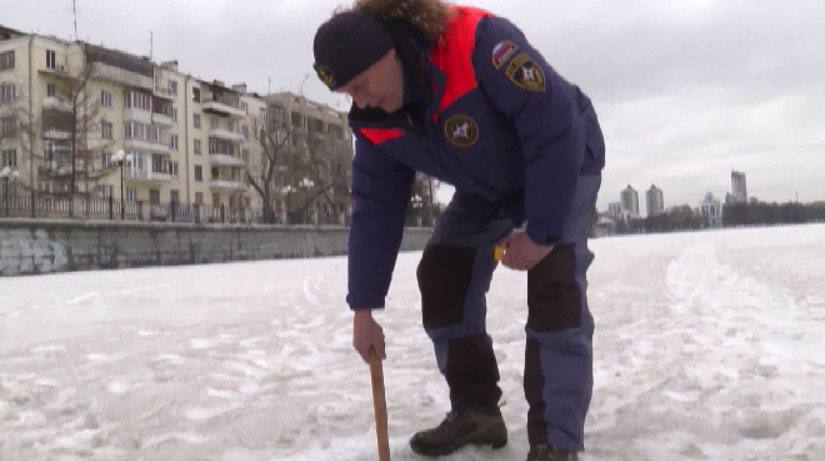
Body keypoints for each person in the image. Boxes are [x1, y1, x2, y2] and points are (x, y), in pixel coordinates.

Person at [312, 1, 605, 459]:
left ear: (386, 52)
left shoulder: (479, 45)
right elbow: (375, 208)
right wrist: (363, 308)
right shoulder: (376, 122)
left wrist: (542, 233)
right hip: (488, 185)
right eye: (348, 93)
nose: (360, 100)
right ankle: (477, 412)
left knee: (554, 287)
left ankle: (555, 440)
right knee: (444, 272)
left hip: (563, 160)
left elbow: (553, 126)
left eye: (362, 84)